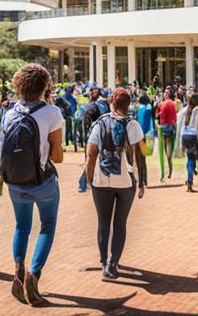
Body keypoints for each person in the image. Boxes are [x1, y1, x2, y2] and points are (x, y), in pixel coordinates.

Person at [0, 64, 64, 307]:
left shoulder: (10, 113)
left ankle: (18, 270)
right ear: (44, 86)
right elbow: (57, 157)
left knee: (22, 226)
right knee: (47, 225)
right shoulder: (52, 112)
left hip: (15, 181)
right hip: (42, 181)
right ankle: (33, 275)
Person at [84, 88, 146, 280]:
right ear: (129, 105)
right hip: (126, 181)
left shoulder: (100, 123)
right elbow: (141, 154)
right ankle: (113, 263)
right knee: (120, 224)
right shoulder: (133, 124)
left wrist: (89, 179)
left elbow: (91, 153)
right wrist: (142, 181)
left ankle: (104, 261)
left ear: (112, 102)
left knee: (103, 223)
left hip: (101, 180)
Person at [176, 92, 198, 192]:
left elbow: (180, 124)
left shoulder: (185, 110)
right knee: (192, 158)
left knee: (190, 158)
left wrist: (180, 141)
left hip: (185, 135)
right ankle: (190, 180)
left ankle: (190, 179)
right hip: (193, 136)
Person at [155, 90, 178, 181]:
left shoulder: (161, 104)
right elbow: (175, 115)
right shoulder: (173, 103)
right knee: (169, 151)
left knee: (162, 152)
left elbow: (159, 116)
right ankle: (170, 168)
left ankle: (163, 173)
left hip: (164, 128)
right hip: (172, 127)